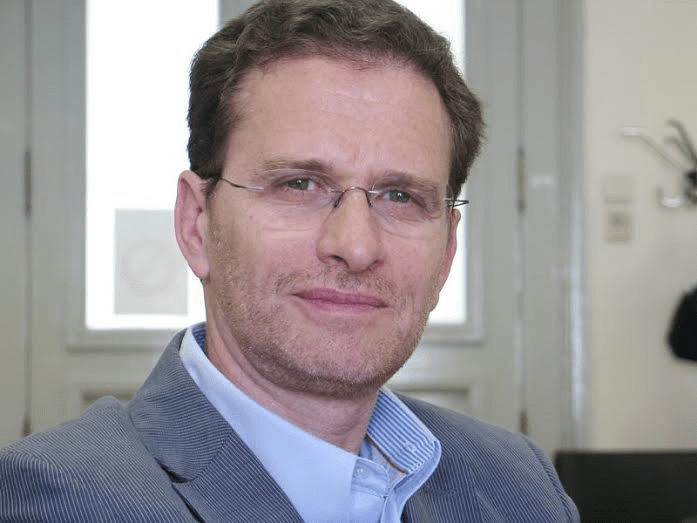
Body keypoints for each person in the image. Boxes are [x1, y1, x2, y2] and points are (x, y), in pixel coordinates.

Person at [0, 0, 579, 521]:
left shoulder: (519, 484)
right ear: (197, 223)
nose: (356, 246)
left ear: (448, 249)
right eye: (300, 184)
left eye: (401, 196)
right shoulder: (51, 499)